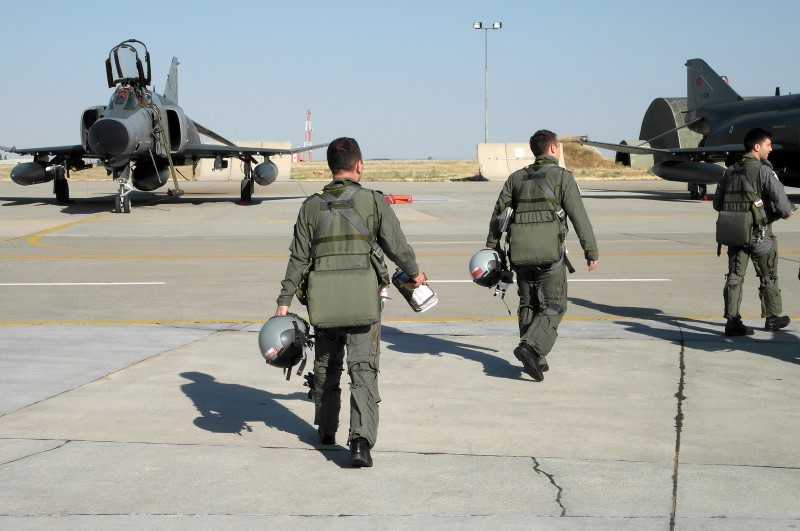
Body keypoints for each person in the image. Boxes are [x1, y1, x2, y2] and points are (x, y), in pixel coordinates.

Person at [274, 137, 426, 468]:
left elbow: (298, 259)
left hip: (325, 305)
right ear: (359, 165)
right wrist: (415, 274)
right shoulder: (373, 202)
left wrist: (284, 302)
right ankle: (360, 442)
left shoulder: (311, 207)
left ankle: (326, 431)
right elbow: (397, 246)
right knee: (363, 369)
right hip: (363, 303)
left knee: (327, 368)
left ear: (331, 167)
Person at [485, 130, 598, 382]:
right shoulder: (562, 178)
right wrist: (590, 251)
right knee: (554, 305)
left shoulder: (515, 179)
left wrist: (492, 250)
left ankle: (536, 359)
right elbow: (579, 217)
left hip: (520, 256)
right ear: (553, 149)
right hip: (550, 258)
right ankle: (532, 348)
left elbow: (498, 217)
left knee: (528, 304)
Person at [713, 127, 794, 336]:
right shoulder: (764, 171)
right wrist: (785, 212)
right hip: (760, 236)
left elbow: (717, 204)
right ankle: (772, 318)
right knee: (768, 276)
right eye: (768, 145)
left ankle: (732, 320)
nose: (771, 149)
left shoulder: (728, 171)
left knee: (734, 276)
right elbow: (784, 207)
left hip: (734, 235)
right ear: (757, 147)